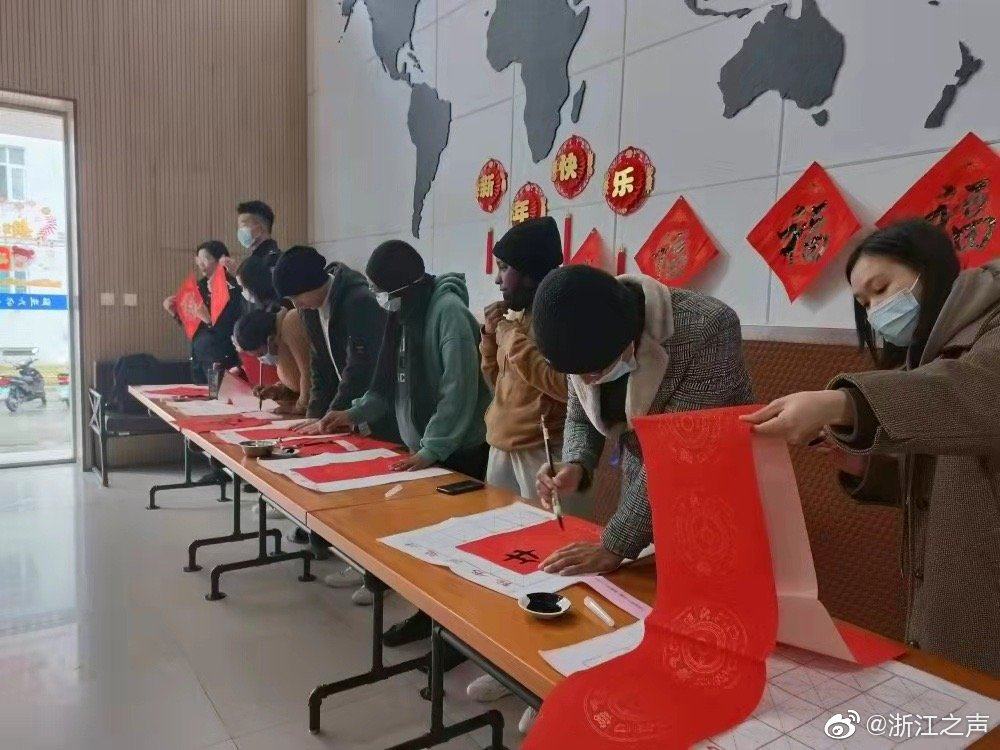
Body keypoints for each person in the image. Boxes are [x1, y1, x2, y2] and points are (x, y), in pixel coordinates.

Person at [741, 220, 1000, 676]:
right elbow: (940, 477)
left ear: (930, 269)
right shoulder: (929, 353)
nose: (877, 311)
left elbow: (973, 395)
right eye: (864, 303)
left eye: (881, 289)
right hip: (948, 582)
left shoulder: (989, 329)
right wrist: (862, 464)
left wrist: (840, 402)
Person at [322, 240, 491, 650]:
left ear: (402, 286)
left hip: (459, 453)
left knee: (456, 551)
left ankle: (457, 636)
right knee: (425, 545)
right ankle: (429, 619)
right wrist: (353, 412)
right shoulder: (404, 314)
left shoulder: (447, 313)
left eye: (382, 290)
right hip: (425, 453)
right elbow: (390, 382)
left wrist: (431, 449)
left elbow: (458, 392)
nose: (380, 298)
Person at [531, 265, 754, 576]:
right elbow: (580, 414)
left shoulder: (707, 328)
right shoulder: (575, 326)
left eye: (594, 372)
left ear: (627, 339)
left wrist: (614, 545)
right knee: (643, 585)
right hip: (645, 487)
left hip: (715, 482)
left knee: (713, 581)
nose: (586, 380)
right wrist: (576, 463)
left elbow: (678, 453)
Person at [470, 217, 569, 732]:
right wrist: (491, 340)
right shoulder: (516, 320)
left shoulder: (558, 316)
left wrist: (511, 337)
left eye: (505, 268)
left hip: (544, 455)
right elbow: (498, 382)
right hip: (501, 446)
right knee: (502, 561)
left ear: (530, 273)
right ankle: (508, 666)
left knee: (549, 569)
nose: (497, 279)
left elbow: (561, 386)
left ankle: (547, 684)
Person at [272, 245, 392, 598]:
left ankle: (378, 577)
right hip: (349, 412)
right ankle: (353, 556)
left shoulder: (358, 301)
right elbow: (320, 366)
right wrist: (314, 415)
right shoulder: (310, 310)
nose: (296, 305)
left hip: (378, 410)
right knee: (348, 491)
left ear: (315, 283)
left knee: (374, 497)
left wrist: (333, 417)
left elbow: (361, 370)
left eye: (298, 296)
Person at [162, 240, 244, 484]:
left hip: (220, 359)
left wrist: (208, 319)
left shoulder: (232, 287)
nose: (200, 263)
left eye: (205, 258)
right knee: (203, 413)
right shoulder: (198, 287)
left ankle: (229, 467)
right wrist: (176, 312)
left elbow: (229, 327)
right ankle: (215, 467)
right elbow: (193, 325)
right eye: (198, 259)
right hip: (199, 356)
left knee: (221, 414)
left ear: (221, 260)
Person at [233, 307, 312, 416]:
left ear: (269, 340)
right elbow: (297, 375)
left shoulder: (291, 324)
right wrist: (277, 390)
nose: (261, 360)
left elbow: (309, 373)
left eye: (260, 354)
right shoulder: (279, 340)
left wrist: (300, 406)